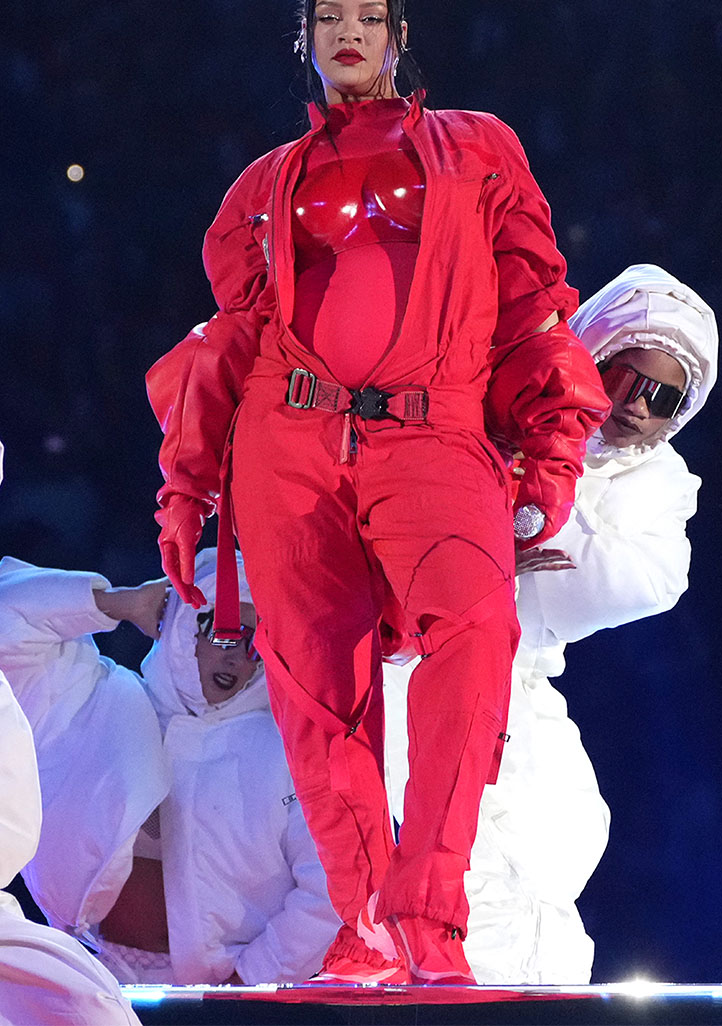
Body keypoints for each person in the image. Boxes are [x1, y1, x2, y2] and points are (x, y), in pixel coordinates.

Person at [146, 0, 609, 984]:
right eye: (327, 17)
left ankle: (428, 911)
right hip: (288, 436)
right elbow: (234, 337)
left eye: (367, 14)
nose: (347, 31)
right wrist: (185, 484)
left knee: (476, 632)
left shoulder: (475, 148)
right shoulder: (265, 183)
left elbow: (531, 300)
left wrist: (553, 446)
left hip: (431, 429)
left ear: (399, 33)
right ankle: (362, 926)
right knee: (319, 694)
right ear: (304, 39)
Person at [384, 263, 718, 983]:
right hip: (410, 663)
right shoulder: (494, 407)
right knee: (445, 847)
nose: (633, 407)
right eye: (621, 377)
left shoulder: (660, 482)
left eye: (661, 397)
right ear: (587, 355)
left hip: (521, 679)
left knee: (562, 836)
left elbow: (648, 582)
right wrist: (495, 542)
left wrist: (521, 531)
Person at [0, 547, 340, 986]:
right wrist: (120, 602)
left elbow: (330, 887)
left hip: (217, 999)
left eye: (255, 642)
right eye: (220, 632)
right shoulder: (101, 702)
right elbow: (8, 623)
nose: (236, 657)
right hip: (89, 976)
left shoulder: (289, 752)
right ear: (181, 626)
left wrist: (248, 982)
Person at [0, 441, 142, 1026]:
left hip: (100, 926)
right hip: (80, 908)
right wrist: (120, 602)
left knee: (88, 1009)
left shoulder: (112, 681)